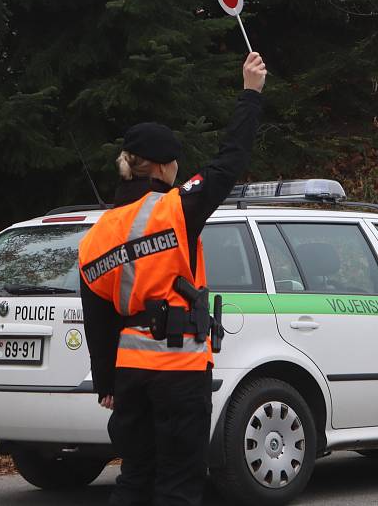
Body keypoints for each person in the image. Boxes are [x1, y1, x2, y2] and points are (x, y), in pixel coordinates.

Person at [78, 51, 267, 506]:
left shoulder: (96, 235)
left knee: (135, 479)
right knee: (179, 485)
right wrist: (250, 94)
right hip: (178, 371)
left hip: (130, 378)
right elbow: (229, 161)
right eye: (175, 164)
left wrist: (106, 382)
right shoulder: (176, 209)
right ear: (162, 167)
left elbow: (97, 317)